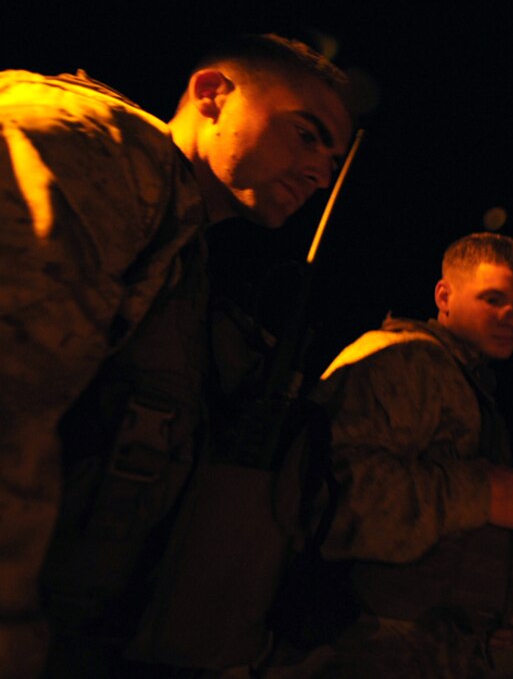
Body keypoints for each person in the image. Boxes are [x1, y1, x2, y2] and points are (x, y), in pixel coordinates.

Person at [0, 34, 353, 676]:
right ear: (213, 95)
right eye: (306, 135)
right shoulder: (99, 148)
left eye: (332, 158)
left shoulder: (180, 247)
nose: (320, 172)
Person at [305, 232, 513, 678]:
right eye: (493, 299)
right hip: (375, 649)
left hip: (441, 648)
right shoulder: (403, 360)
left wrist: (495, 606)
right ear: (444, 296)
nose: (511, 316)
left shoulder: (465, 379)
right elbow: (332, 493)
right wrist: (481, 494)